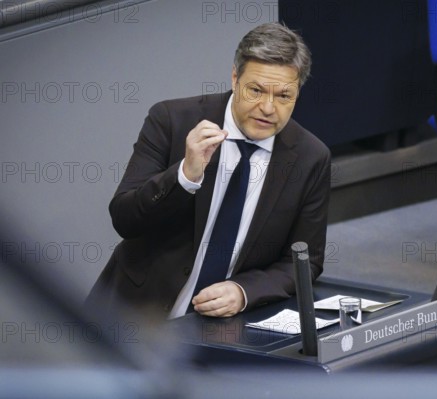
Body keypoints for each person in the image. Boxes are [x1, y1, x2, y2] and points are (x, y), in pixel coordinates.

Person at [86, 23, 331, 319]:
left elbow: (305, 261)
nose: (268, 108)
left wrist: (244, 292)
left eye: (283, 96)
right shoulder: (171, 121)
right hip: (132, 315)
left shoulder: (310, 158)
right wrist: (185, 176)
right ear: (235, 78)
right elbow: (124, 219)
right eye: (256, 90)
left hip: (220, 328)